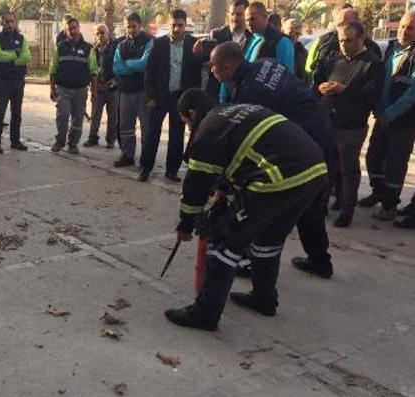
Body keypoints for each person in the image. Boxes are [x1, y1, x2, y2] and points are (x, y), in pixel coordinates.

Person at [164, 90, 328, 331]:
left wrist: (186, 224)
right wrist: (225, 189)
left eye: (186, 122)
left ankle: (205, 314)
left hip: (277, 179)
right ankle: (264, 299)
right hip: (313, 171)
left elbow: (195, 190)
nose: (188, 128)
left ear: (191, 114)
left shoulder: (206, 132)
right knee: (268, 239)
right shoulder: (238, 110)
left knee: (224, 242)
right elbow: (244, 153)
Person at [211, 42, 335, 279]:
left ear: (228, 66)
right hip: (320, 132)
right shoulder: (268, 63)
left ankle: (252, 262)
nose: (212, 72)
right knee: (308, 201)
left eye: (214, 67)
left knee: (266, 203)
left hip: (301, 142)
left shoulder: (249, 93)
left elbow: (246, 142)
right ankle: (320, 261)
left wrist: (224, 183)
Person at [315, 22, 384, 227]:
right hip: (328, 121)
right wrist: (322, 88)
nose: (344, 45)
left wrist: (344, 89)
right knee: (325, 166)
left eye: (349, 40)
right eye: (341, 40)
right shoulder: (334, 60)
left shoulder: (372, 64)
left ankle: (347, 209)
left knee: (348, 170)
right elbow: (319, 81)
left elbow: (372, 95)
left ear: (362, 38)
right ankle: (322, 203)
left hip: (351, 127)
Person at [359, 11, 415, 221]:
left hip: (403, 121)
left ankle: (390, 204)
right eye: (402, 26)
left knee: (395, 164)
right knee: (373, 157)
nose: (404, 31)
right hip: (381, 117)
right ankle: (377, 192)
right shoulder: (391, 48)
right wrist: (378, 111)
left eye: (410, 28)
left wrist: (390, 114)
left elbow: (412, 94)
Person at [139, 9, 201, 182]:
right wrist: (150, 96)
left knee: (177, 135)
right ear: (168, 25)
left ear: (185, 25)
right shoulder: (158, 44)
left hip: (181, 98)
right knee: (152, 134)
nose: (176, 29)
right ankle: (145, 168)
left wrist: (192, 102)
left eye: (180, 25)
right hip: (159, 97)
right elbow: (149, 73)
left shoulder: (193, 44)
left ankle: (172, 171)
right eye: (173, 25)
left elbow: (197, 73)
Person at [49, 18, 99, 154]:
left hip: (80, 90)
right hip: (63, 89)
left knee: (77, 119)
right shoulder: (60, 47)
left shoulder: (88, 49)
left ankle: (73, 144)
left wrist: (94, 92)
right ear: (65, 30)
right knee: (63, 116)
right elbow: (53, 69)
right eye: (69, 28)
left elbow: (94, 72)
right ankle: (60, 141)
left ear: (79, 28)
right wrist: (52, 89)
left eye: (74, 27)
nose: (71, 30)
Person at [112, 12, 153, 167]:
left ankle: (146, 159)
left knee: (146, 127)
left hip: (143, 92)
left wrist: (127, 63)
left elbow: (145, 64)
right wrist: (134, 66)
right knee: (125, 127)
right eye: (128, 27)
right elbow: (116, 67)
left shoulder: (149, 41)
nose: (131, 30)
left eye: (133, 26)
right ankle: (127, 155)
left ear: (140, 25)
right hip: (125, 92)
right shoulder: (121, 44)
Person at [305, 6, 382, 88]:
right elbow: (312, 69)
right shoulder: (324, 41)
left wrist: (344, 89)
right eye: (338, 25)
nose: (344, 45)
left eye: (345, 23)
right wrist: (320, 87)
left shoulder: (371, 49)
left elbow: (372, 88)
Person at [0, 13, 30, 153]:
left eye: (12, 21)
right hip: (3, 81)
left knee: (17, 113)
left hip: (18, 81)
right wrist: (15, 55)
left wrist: (11, 59)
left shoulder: (21, 39)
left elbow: (27, 57)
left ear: (15, 22)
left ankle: (15, 141)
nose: (9, 24)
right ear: (2, 23)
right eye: (7, 21)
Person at [193, 0, 251, 99]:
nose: (235, 18)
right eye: (232, 14)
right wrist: (197, 52)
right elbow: (206, 63)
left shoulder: (252, 37)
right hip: (217, 90)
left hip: (242, 90)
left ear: (246, 15)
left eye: (239, 14)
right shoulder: (217, 34)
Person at [84, 24, 120, 149]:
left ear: (108, 33)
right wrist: (95, 85)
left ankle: (110, 140)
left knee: (113, 116)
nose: (100, 35)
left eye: (102, 33)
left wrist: (109, 84)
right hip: (97, 88)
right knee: (95, 115)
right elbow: (89, 69)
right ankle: (92, 138)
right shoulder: (93, 50)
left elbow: (119, 68)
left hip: (113, 88)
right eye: (98, 33)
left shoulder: (116, 48)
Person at [244, 2, 294, 69]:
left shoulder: (282, 42)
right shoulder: (247, 38)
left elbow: (286, 75)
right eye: (246, 20)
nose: (249, 23)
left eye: (253, 19)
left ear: (265, 17)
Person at [282, 18, 309, 83]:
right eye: (291, 33)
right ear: (283, 32)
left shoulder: (302, 52)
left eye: (297, 34)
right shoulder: (275, 47)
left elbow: (306, 77)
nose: (294, 37)